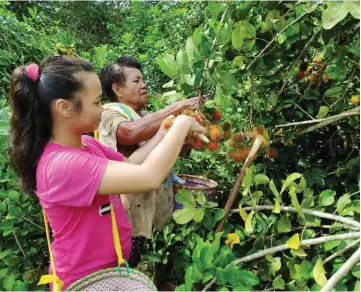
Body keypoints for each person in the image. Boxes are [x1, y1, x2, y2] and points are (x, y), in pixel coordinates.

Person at [9, 55, 204, 290]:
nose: (103, 109)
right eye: (96, 102)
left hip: (109, 272)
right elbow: (149, 177)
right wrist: (181, 124)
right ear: (64, 107)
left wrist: (164, 131)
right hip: (83, 280)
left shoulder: (86, 145)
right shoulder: (62, 164)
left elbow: (132, 166)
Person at [97, 56, 199, 266]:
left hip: (158, 214)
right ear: (117, 89)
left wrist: (190, 135)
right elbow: (130, 132)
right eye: (136, 81)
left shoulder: (145, 116)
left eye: (143, 80)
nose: (144, 85)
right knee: (134, 273)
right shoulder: (108, 114)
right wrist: (178, 109)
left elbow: (171, 151)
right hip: (133, 222)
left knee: (158, 270)